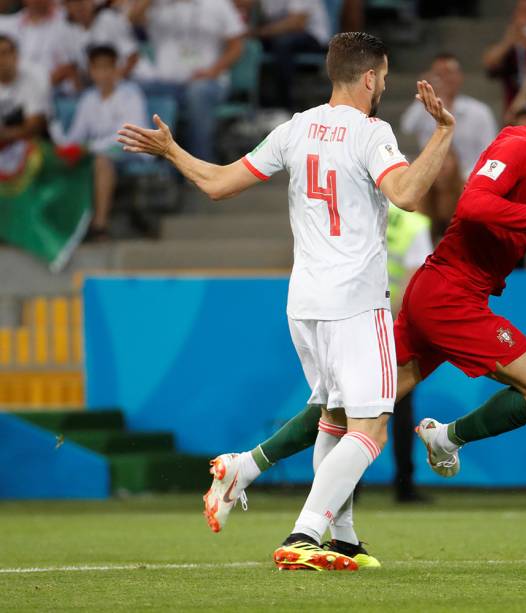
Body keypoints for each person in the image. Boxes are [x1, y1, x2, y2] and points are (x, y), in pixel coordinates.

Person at [204, 74, 526, 546]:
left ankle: (245, 466)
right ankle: (445, 440)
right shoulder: (515, 147)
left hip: (447, 296)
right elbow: (473, 206)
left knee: (349, 409)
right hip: (449, 296)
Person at [118, 31, 456, 571]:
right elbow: (409, 195)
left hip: (304, 303)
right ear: (370, 78)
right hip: (355, 301)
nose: (384, 86)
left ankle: (341, 538)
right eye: (385, 77)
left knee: (334, 419)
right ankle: (305, 534)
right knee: (369, 428)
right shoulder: (373, 133)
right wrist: (443, 133)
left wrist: (172, 150)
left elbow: (219, 184)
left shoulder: (295, 129)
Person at [128, 0, 246, 161]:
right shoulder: (157, 5)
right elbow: (131, 19)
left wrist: (213, 71)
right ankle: (147, 166)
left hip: (208, 82)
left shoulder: (218, 4)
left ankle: (202, 166)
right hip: (167, 84)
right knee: (131, 88)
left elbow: (237, 45)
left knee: (198, 93)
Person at [55, 45, 146, 240]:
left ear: (116, 69)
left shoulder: (131, 94)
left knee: (102, 161)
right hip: (97, 152)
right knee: (63, 161)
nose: (103, 74)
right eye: (97, 68)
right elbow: (76, 135)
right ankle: (68, 226)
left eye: (107, 68)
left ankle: (100, 225)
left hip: (131, 153)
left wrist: (90, 148)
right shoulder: (88, 98)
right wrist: (63, 147)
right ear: (91, 71)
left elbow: (130, 135)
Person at [385, 203, 434, 503]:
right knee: (401, 405)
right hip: (394, 324)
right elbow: (413, 282)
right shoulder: (414, 224)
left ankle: (346, 489)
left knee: (349, 406)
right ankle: (404, 484)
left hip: (356, 321)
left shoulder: (359, 209)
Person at [400, 53, 497, 179]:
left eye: (449, 73)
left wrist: (468, 179)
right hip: (431, 181)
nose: (445, 79)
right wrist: (424, 92)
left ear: (460, 76)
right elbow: (407, 126)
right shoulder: (424, 108)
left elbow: (490, 150)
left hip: (471, 180)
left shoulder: (480, 111)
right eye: (439, 74)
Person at [242, 0, 330, 109]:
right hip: (279, 37)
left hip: (313, 38)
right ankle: (246, 99)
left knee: (283, 44)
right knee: (245, 42)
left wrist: (259, 32)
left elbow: (297, 23)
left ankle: (284, 105)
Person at [0, 0, 80, 91]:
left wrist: (39, 86)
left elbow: (70, 67)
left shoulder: (67, 20)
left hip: (57, 94)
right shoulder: (9, 24)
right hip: (17, 91)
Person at [62, 0, 139, 80]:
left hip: (133, 77)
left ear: (92, 2)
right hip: (99, 87)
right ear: (67, 7)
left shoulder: (109, 18)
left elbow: (133, 57)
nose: (79, 7)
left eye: (82, 2)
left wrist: (113, 83)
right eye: (73, 4)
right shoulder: (68, 32)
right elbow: (78, 70)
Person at [0, 34, 50, 157]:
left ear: (16, 56)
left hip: (34, 146)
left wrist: (4, 135)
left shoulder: (32, 82)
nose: (1, 59)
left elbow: (35, 127)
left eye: (5, 53)